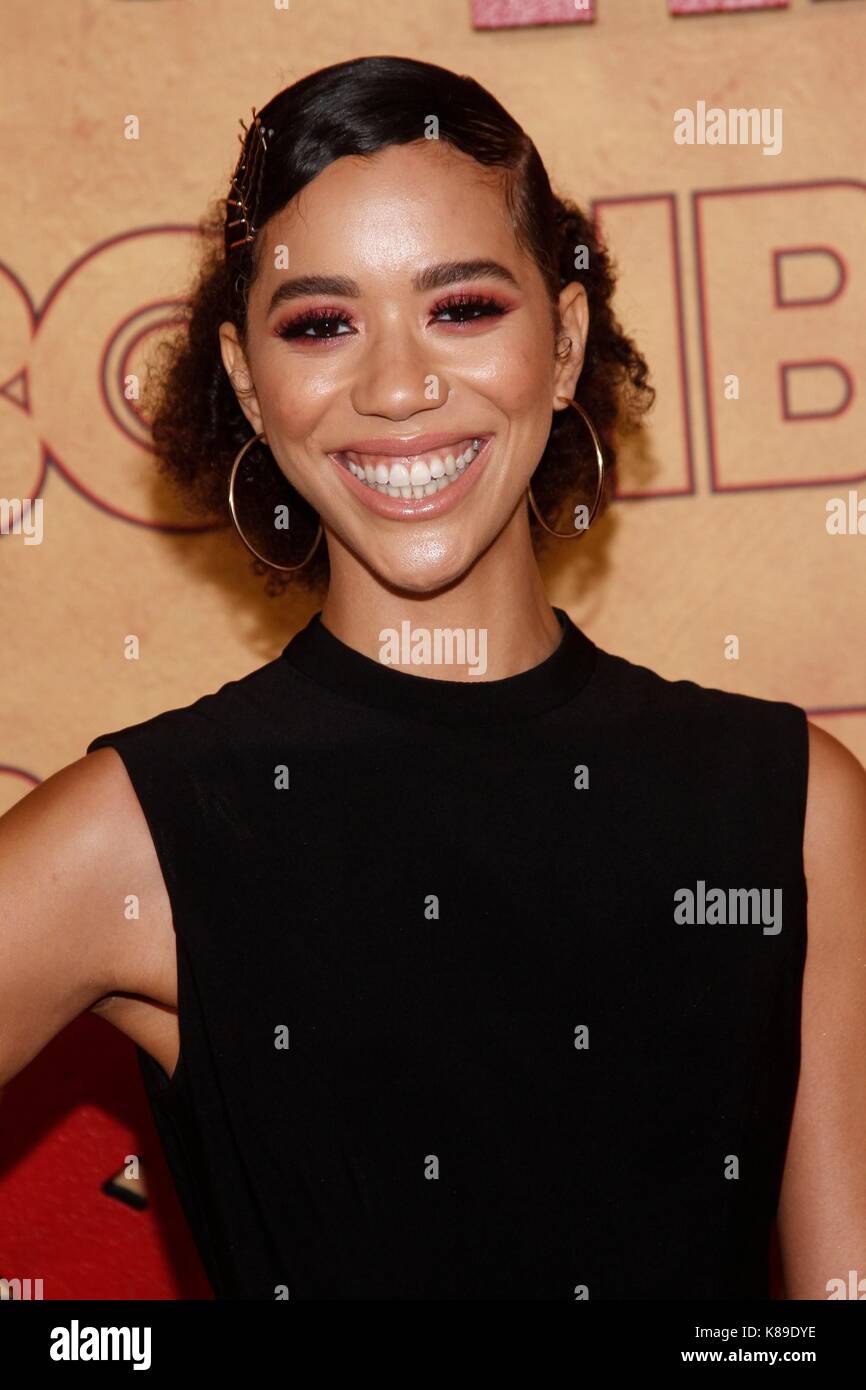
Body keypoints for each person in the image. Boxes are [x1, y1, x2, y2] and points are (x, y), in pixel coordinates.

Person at [1, 55, 864, 1301]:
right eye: (320, 323)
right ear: (249, 381)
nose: (397, 387)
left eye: (461, 307)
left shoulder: (791, 806)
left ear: (562, 343)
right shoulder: (146, 829)